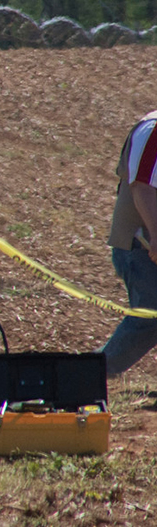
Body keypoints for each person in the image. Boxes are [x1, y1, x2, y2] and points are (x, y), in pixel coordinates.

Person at [99, 109, 157, 376]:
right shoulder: (152, 129)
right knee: (149, 318)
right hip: (142, 247)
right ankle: (90, 376)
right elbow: (141, 186)